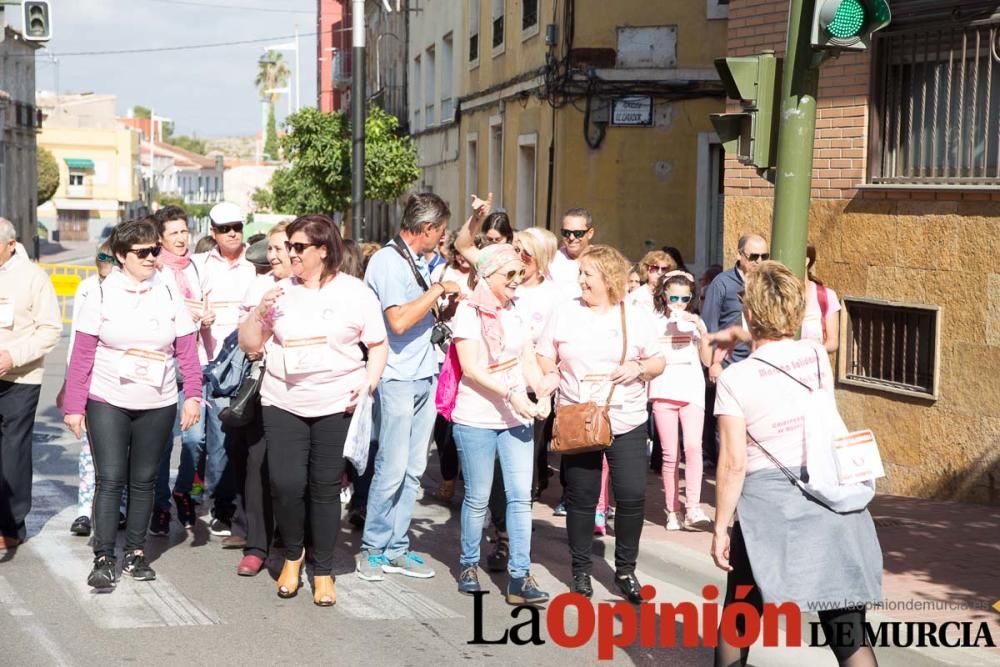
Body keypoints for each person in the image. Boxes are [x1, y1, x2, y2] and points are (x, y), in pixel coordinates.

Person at [711, 261, 881, 667]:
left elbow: (733, 464)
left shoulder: (736, 379)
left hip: (767, 506)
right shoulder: (815, 356)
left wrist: (720, 526)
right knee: (846, 628)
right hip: (829, 491)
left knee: (741, 612)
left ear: (749, 313)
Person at [240, 215, 388, 606]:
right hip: (283, 401)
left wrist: (368, 383)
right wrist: (258, 312)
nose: (291, 254)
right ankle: (293, 555)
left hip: (336, 401)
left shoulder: (355, 293)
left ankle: (322, 570)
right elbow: (250, 344)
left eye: (298, 247)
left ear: (323, 251)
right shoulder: (278, 291)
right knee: (285, 484)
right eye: (288, 247)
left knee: (324, 489)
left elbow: (377, 345)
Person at [62, 218, 203, 588]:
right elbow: (82, 354)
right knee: (111, 479)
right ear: (122, 256)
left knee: (143, 480)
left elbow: (187, 348)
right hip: (108, 398)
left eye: (156, 250)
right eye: (143, 252)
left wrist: (193, 396)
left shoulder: (168, 288)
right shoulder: (102, 293)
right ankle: (104, 556)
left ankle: (136, 553)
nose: (152, 257)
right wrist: (74, 407)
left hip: (157, 400)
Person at [536, 245, 665, 602]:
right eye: (580, 274)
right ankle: (581, 570)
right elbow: (544, 353)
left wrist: (638, 368)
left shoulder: (634, 316)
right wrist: (549, 375)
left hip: (626, 417)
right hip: (579, 417)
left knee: (631, 494)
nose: (580, 281)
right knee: (581, 496)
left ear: (608, 278)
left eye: (587, 274)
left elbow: (658, 361)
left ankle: (625, 569)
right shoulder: (564, 312)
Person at [356, 192, 461, 582]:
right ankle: (372, 550)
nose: (443, 238)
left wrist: (441, 305)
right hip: (396, 375)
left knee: (414, 469)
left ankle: (398, 548)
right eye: (442, 231)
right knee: (392, 467)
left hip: (424, 372)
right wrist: (436, 291)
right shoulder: (387, 261)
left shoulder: (418, 260)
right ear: (427, 228)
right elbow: (397, 322)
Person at [451, 243, 553, 604]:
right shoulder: (468, 312)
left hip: (516, 415)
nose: (516, 280)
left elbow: (526, 358)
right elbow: (472, 369)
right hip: (476, 416)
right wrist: (511, 395)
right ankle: (468, 564)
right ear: (488, 275)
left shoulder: (518, 310)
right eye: (509, 274)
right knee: (478, 497)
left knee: (520, 498)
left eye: (520, 274)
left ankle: (520, 577)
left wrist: (542, 388)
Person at [191, 202, 257, 537]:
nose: (233, 233)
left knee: (238, 441)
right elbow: (182, 302)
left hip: (247, 362)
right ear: (213, 232)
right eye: (225, 228)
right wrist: (196, 316)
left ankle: (233, 506)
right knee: (205, 441)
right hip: (208, 362)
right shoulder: (198, 265)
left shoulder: (254, 265)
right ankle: (214, 502)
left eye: (237, 227)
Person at [229, 222, 291, 575]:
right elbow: (247, 340)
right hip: (263, 385)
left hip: (306, 391)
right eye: (272, 249)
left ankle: (300, 539)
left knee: (298, 471)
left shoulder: (315, 288)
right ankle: (256, 545)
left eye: (282, 248)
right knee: (257, 463)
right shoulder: (260, 286)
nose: (275, 255)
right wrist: (260, 311)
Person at [0, 218, 61, 550]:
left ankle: (11, 525)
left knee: (13, 451)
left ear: (11, 245)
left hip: (20, 376)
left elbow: (50, 330)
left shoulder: (33, 278)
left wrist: (13, 356)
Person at [149, 205, 205, 536]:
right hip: (164, 366)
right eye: (175, 233)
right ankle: (160, 504)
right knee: (162, 442)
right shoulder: (156, 271)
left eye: (185, 231)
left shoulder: (194, 267)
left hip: (193, 362)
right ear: (161, 239)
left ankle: (183, 489)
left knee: (196, 439)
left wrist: (204, 316)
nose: (182, 238)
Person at [648, 271, 713, 531]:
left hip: (692, 391)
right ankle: (672, 510)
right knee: (670, 454)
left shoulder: (695, 321)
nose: (678, 303)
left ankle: (693, 508)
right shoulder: (653, 322)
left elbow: (707, 360)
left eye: (684, 299)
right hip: (663, 390)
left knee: (694, 448)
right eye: (672, 297)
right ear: (663, 296)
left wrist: (701, 328)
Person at [701, 234, 769, 468]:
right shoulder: (722, 283)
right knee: (727, 423)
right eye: (754, 256)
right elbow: (709, 325)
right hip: (729, 363)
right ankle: (726, 471)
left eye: (764, 256)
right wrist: (714, 363)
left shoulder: (766, 282)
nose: (759, 261)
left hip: (758, 361)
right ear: (740, 255)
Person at [65, 244, 117, 537]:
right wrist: (68, 386)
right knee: (88, 449)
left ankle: (117, 508)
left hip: (116, 380)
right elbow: (75, 337)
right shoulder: (85, 288)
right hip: (88, 378)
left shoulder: (127, 291)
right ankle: (84, 510)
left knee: (119, 451)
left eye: (110, 258)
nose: (105, 262)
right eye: (101, 257)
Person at [430, 233, 474, 504]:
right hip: (441, 355)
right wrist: (448, 308)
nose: (460, 256)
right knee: (443, 422)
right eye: (455, 250)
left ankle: (465, 480)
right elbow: (433, 312)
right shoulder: (441, 271)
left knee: (464, 421)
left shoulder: (482, 276)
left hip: (469, 356)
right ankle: (448, 476)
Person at [548, 208, 595, 299]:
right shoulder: (551, 261)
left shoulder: (603, 261)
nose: (571, 237)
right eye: (566, 233)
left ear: (590, 233)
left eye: (578, 233)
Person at [804, 245, 841, 353]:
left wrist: (812, 354)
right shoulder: (776, 294)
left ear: (806, 261)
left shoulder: (827, 296)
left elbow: (833, 342)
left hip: (813, 365)